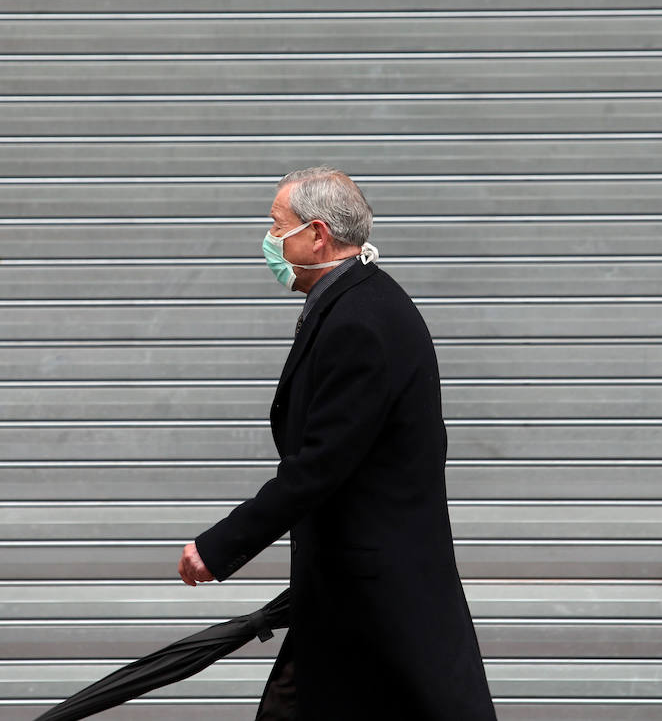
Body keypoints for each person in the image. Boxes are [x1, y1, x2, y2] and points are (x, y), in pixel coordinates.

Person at [177, 166, 497, 720]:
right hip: (347, 595)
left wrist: (220, 546)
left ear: (317, 234)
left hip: (376, 602)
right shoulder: (356, 304)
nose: (269, 241)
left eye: (277, 227)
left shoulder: (360, 322)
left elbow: (319, 465)